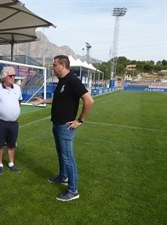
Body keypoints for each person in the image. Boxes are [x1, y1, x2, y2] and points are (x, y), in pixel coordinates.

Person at [32, 55, 94, 202]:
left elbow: (89, 100)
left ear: (63, 65)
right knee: (61, 153)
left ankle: (73, 190)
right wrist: (43, 100)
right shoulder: (62, 81)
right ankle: (63, 176)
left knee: (68, 157)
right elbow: (59, 99)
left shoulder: (73, 81)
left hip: (66, 126)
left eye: (54, 65)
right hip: (57, 124)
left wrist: (80, 120)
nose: (52, 67)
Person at [0, 66, 23, 175]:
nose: (13, 77)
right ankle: (0, 165)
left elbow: (19, 102)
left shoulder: (17, 88)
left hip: (14, 123)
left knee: (12, 145)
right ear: (4, 77)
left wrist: (14, 112)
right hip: (1, 123)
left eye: (14, 75)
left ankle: (11, 164)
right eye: (11, 75)